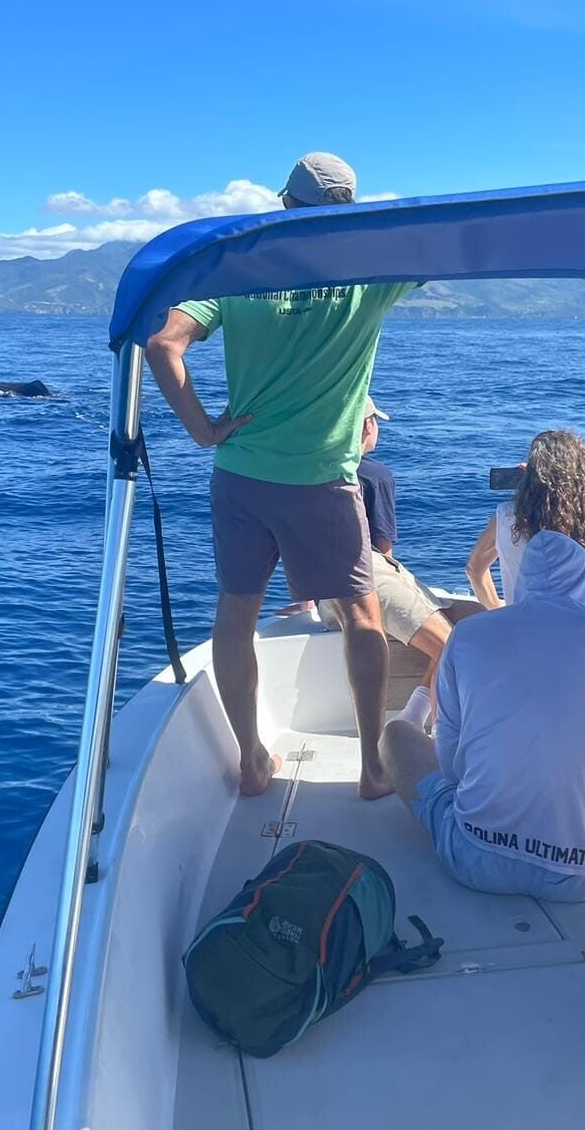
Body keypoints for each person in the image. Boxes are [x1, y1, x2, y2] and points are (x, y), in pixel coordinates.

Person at [145, 152, 415, 800]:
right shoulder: (371, 276)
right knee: (362, 618)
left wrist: (203, 429)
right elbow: (469, 249)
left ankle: (252, 760)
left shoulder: (239, 276)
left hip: (239, 476)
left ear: (285, 207)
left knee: (236, 617)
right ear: (346, 214)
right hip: (322, 478)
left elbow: (161, 344)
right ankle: (373, 768)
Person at [381, 531, 585, 902]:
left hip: (474, 859)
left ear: (521, 582)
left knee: (395, 735)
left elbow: (451, 767)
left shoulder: (468, 634)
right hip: (582, 876)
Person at [317, 397, 455, 716]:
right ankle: (417, 726)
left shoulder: (315, 472)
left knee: (469, 617)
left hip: (326, 599)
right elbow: (384, 550)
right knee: (454, 645)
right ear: (367, 426)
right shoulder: (376, 475)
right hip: (371, 578)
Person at [465, 429, 585, 609]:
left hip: (524, 628)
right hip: (581, 629)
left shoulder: (505, 516)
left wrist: (498, 612)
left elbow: (474, 569)